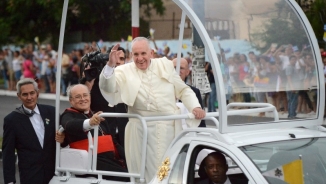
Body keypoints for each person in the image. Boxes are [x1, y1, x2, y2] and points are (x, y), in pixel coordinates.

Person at [99, 37, 206, 182]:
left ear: (152, 53)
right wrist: (110, 65)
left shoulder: (165, 65)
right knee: (148, 176)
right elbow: (108, 87)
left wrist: (195, 106)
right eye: (136, 54)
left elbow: (183, 90)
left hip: (169, 131)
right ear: (131, 55)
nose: (140, 58)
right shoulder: (124, 70)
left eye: (143, 53)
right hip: (142, 132)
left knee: (170, 172)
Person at [60, 84, 128, 181]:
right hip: (91, 162)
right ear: (71, 100)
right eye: (78, 97)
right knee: (127, 177)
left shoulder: (98, 115)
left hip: (110, 161)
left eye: (85, 95)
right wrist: (90, 122)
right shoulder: (68, 115)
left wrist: (129, 158)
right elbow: (69, 125)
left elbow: (114, 143)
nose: (82, 99)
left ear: (90, 97)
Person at [2, 78, 64, 184]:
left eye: (32, 93)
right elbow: (8, 153)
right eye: (25, 94)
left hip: (54, 174)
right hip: (30, 176)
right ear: (19, 96)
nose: (29, 97)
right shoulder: (11, 120)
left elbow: (64, 136)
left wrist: (63, 138)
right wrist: (10, 181)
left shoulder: (52, 112)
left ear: (37, 93)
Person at [82, 46, 128, 147]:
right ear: (108, 59)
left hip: (126, 137)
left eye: (122, 59)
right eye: (115, 57)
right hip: (102, 137)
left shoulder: (130, 81)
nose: (118, 61)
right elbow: (83, 108)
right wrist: (87, 86)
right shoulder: (96, 81)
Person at [173, 57, 206, 127]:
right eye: (174, 67)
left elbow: (201, 123)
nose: (177, 71)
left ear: (187, 72)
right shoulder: (161, 90)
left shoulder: (194, 92)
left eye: (181, 68)